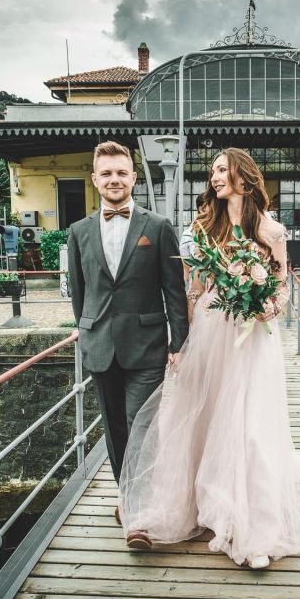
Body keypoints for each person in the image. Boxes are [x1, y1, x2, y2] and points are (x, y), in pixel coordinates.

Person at [119, 147, 300, 570]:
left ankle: (251, 526)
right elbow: (194, 287)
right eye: (213, 171)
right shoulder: (205, 226)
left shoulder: (272, 231)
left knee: (249, 424)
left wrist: (267, 308)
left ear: (244, 176)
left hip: (253, 337)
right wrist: (181, 344)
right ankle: (196, 506)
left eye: (222, 170)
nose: (215, 177)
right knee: (199, 416)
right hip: (210, 330)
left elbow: (281, 288)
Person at [66, 141, 188, 500]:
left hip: (147, 346)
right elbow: (79, 291)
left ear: (134, 177)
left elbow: (174, 290)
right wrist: (87, 332)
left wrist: (178, 342)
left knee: (142, 425)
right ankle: (126, 492)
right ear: (94, 179)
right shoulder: (79, 231)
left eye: (121, 172)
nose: (114, 179)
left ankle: (139, 504)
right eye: (106, 173)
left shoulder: (159, 226)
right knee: (115, 427)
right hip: (100, 345)